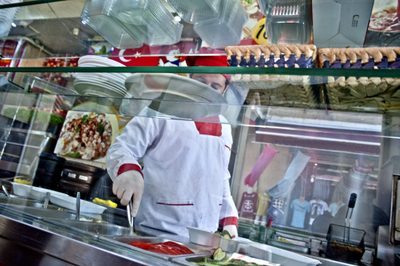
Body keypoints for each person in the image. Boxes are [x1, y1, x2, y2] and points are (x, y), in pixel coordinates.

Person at [106, 56, 238, 240]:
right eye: (201, 82)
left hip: (203, 237)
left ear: (224, 90)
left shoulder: (225, 127)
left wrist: (229, 219)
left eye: (214, 87)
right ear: (189, 78)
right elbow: (121, 148)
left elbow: (222, 176)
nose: (206, 91)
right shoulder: (160, 110)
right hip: (154, 231)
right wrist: (128, 169)